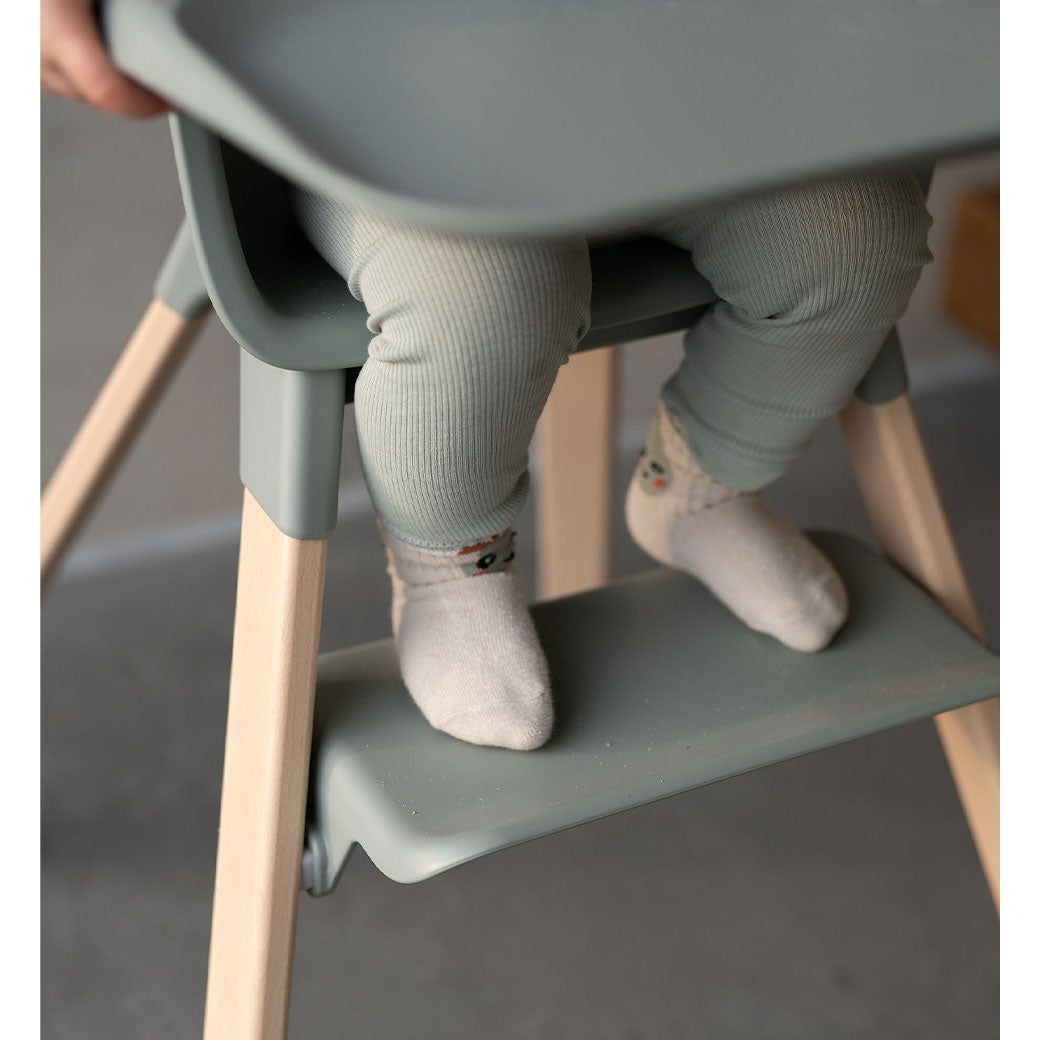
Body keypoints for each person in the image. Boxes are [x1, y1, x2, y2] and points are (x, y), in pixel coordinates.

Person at [43, 0, 932, 752]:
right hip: (360, 102)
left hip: (647, 71)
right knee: (486, 294)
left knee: (853, 243)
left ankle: (700, 487)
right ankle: (451, 569)